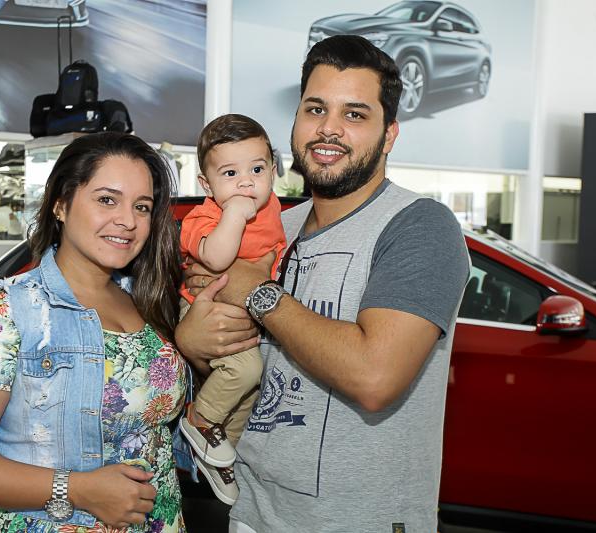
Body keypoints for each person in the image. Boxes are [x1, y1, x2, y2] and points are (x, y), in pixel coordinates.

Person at [175, 35, 470, 532]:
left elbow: (375, 378)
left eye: (354, 114)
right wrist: (194, 343)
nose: (328, 128)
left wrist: (258, 292)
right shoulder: (272, 229)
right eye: (315, 109)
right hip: (252, 513)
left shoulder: (419, 226)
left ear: (389, 135)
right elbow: (236, 364)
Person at [0, 132, 187, 532]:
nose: (128, 221)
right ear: (60, 204)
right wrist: (78, 489)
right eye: (107, 200)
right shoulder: (3, 311)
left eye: (142, 206)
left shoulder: (148, 300)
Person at [177, 114, 286, 506]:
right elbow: (217, 259)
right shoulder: (203, 218)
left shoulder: (273, 207)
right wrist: (235, 215)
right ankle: (200, 420)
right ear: (207, 185)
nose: (246, 183)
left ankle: (222, 455)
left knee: (251, 390)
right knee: (245, 371)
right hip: (204, 311)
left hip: (243, 317)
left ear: (272, 171)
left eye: (257, 169)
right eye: (230, 173)